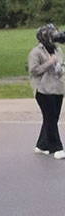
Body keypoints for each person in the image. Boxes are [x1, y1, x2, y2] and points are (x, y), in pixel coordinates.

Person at [29, 25, 64, 158]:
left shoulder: (58, 50)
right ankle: (57, 148)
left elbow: (60, 67)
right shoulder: (36, 52)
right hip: (43, 90)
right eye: (52, 35)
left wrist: (59, 68)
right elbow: (34, 70)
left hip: (57, 88)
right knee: (50, 118)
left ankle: (42, 145)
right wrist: (49, 63)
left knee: (52, 118)